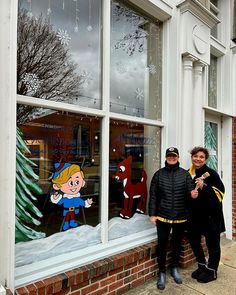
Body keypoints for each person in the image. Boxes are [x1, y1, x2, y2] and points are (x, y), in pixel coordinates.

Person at [149, 147, 195, 290]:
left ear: (178, 157)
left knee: (176, 244)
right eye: (169, 156)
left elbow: (189, 194)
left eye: (174, 156)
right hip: (163, 217)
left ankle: (174, 268)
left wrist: (193, 195)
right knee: (162, 245)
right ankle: (161, 272)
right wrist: (152, 214)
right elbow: (154, 196)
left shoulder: (185, 175)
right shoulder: (158, 175)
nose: (171, 158)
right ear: (165, 157)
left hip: (180, 217)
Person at [188, 146, 225, 283]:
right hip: (195, 216)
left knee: (212, 244)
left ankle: (212, 270)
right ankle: (202, 265)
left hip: (211, 216)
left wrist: (205, 187)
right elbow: (185, 193)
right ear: (192, 157)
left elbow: (220, 194)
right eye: (196, 156)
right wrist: (190, 195)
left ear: (205, 159)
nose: (198, 159)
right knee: (194, 240)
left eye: (201, 157)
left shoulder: (210, 174)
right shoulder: (188, 173)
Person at [51, 163, 93, 231]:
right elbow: (59, 201)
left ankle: (72, 222)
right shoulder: (66, 198)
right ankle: (66, 223)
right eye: (70, 183)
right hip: (67, 210)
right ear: (57, 186)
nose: (74, 186)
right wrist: (56, 199)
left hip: (74, 210)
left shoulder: (76, 198)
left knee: (72, 216)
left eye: (77, 182)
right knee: (67, 217)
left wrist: (87, 203)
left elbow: (82, 202)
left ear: (82, 182)